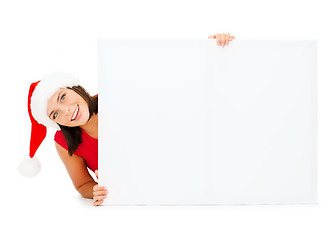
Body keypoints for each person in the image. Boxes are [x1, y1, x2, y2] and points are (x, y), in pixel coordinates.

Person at [19, 33, 235, 206]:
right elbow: (83, 183)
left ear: (74, 88)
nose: (66, 111)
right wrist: (93, 191)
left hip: (178, 175)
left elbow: (169, 85)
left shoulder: (116, 97)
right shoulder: (63, 141)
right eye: (55, 114)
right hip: (135, 197)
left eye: (63, 97)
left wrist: (208, 52)